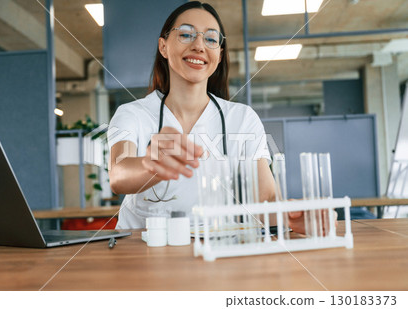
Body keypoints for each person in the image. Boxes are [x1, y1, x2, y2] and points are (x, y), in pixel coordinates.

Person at [108, 1, 316, 233]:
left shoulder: (242, 118)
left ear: (219, 55)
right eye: (186, 34)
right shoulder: (133, 114)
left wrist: (292, 216)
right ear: (163, 46)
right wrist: (149, 165)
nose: (198, 45)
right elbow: (118, 175)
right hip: (139, 250)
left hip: (214, 248)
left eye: (210, 39)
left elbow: (264, 198)